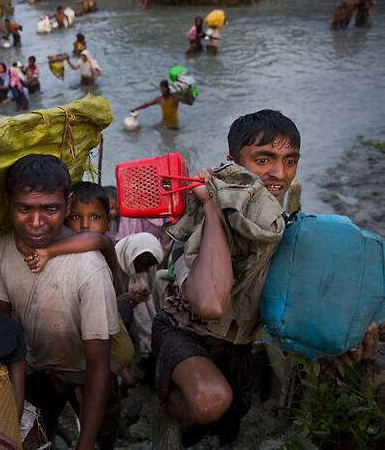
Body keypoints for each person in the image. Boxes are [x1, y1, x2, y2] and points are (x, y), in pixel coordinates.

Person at [151, 109, 381, 446]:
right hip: (183, 334)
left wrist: (356, 327)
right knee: (209, 401)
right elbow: (211, 304)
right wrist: (213, 207)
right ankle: (168, 416)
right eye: (264, 159)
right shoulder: (201, 221)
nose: (279, 173)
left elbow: (314, 292)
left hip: (239, 346)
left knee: (227, 426)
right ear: (232, 162)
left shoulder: (286, 230)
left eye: (290, 161)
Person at [0, 154, 120, 449]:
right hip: (35, 371)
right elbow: (1, 329)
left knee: (101, 437)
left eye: (50, 209)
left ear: (68, 203)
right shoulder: (0, 248)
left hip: (84, 374)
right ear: (7, 202)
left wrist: (85, 444)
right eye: (24, 209)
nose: (36, 223)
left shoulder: (89, 268)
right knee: (40, 432)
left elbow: (98, 365)